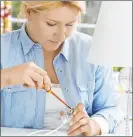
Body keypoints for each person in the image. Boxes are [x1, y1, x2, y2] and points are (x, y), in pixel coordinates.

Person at [1, 1, 122, 136]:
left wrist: (94, 125)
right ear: (29, 11)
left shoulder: (92, 50)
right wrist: (5, 77)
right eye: (51, 24)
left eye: (70, 24)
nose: (61, 36)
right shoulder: (3, 48)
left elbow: (112, 109)